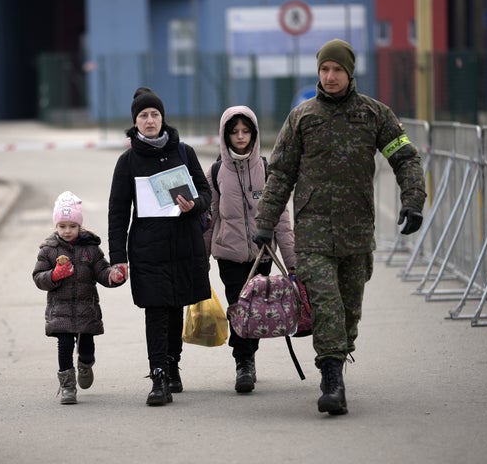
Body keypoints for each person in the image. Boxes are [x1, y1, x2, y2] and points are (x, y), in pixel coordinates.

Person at [254, 39, 426, 416]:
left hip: (357, 232)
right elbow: (281, 173)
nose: (330, 77)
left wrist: (413, 201)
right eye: (324, 70)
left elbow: (406, 158)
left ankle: (338, 357)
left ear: (350, 73)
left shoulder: (375, 115)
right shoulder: (302, 117)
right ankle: (331, 380)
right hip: (313, 233)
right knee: (327, 306)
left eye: (337, 70)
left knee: (349, 311)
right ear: (318, 73)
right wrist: (265, 223)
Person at [108, 87, 211, 406]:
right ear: (135, 123)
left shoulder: (184, 152)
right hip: (147, 248)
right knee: (155, 310)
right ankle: (158, 376)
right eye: (143, 115)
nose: (150, 120)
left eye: (154, 114)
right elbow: (118, 211)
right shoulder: (127, 161)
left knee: (175, 307)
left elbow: (206, 195)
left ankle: (172, 365)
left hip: (183, 244)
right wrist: (118, 258)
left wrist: (192, 204)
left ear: (163, 118)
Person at [203, 105, 297, 394]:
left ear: (254, 134)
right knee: (238, 306)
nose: (240, 136)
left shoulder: (267, 170)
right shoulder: (217, 171)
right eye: (234, 132)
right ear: (225, 135)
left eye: (245, 131)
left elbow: (281, 218)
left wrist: (292, 262)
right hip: (228, 254)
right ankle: (242, 362)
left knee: (257, 308)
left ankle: (250, 354)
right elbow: (210, 216)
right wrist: (200, 259)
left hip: (262, 254)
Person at [32, 191, 126, 404]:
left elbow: (102, 271)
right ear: (56, 226)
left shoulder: (90, 249)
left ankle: (86, 364)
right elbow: (38, 277)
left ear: (80, 226)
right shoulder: (49, 250)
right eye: (62, 226)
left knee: (86, 347)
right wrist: (54, 275)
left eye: (72, 226)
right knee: (64, 345)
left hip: (86, 309)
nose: (67, 231)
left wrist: (113, 275)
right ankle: (67, 386)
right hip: (60, 311)